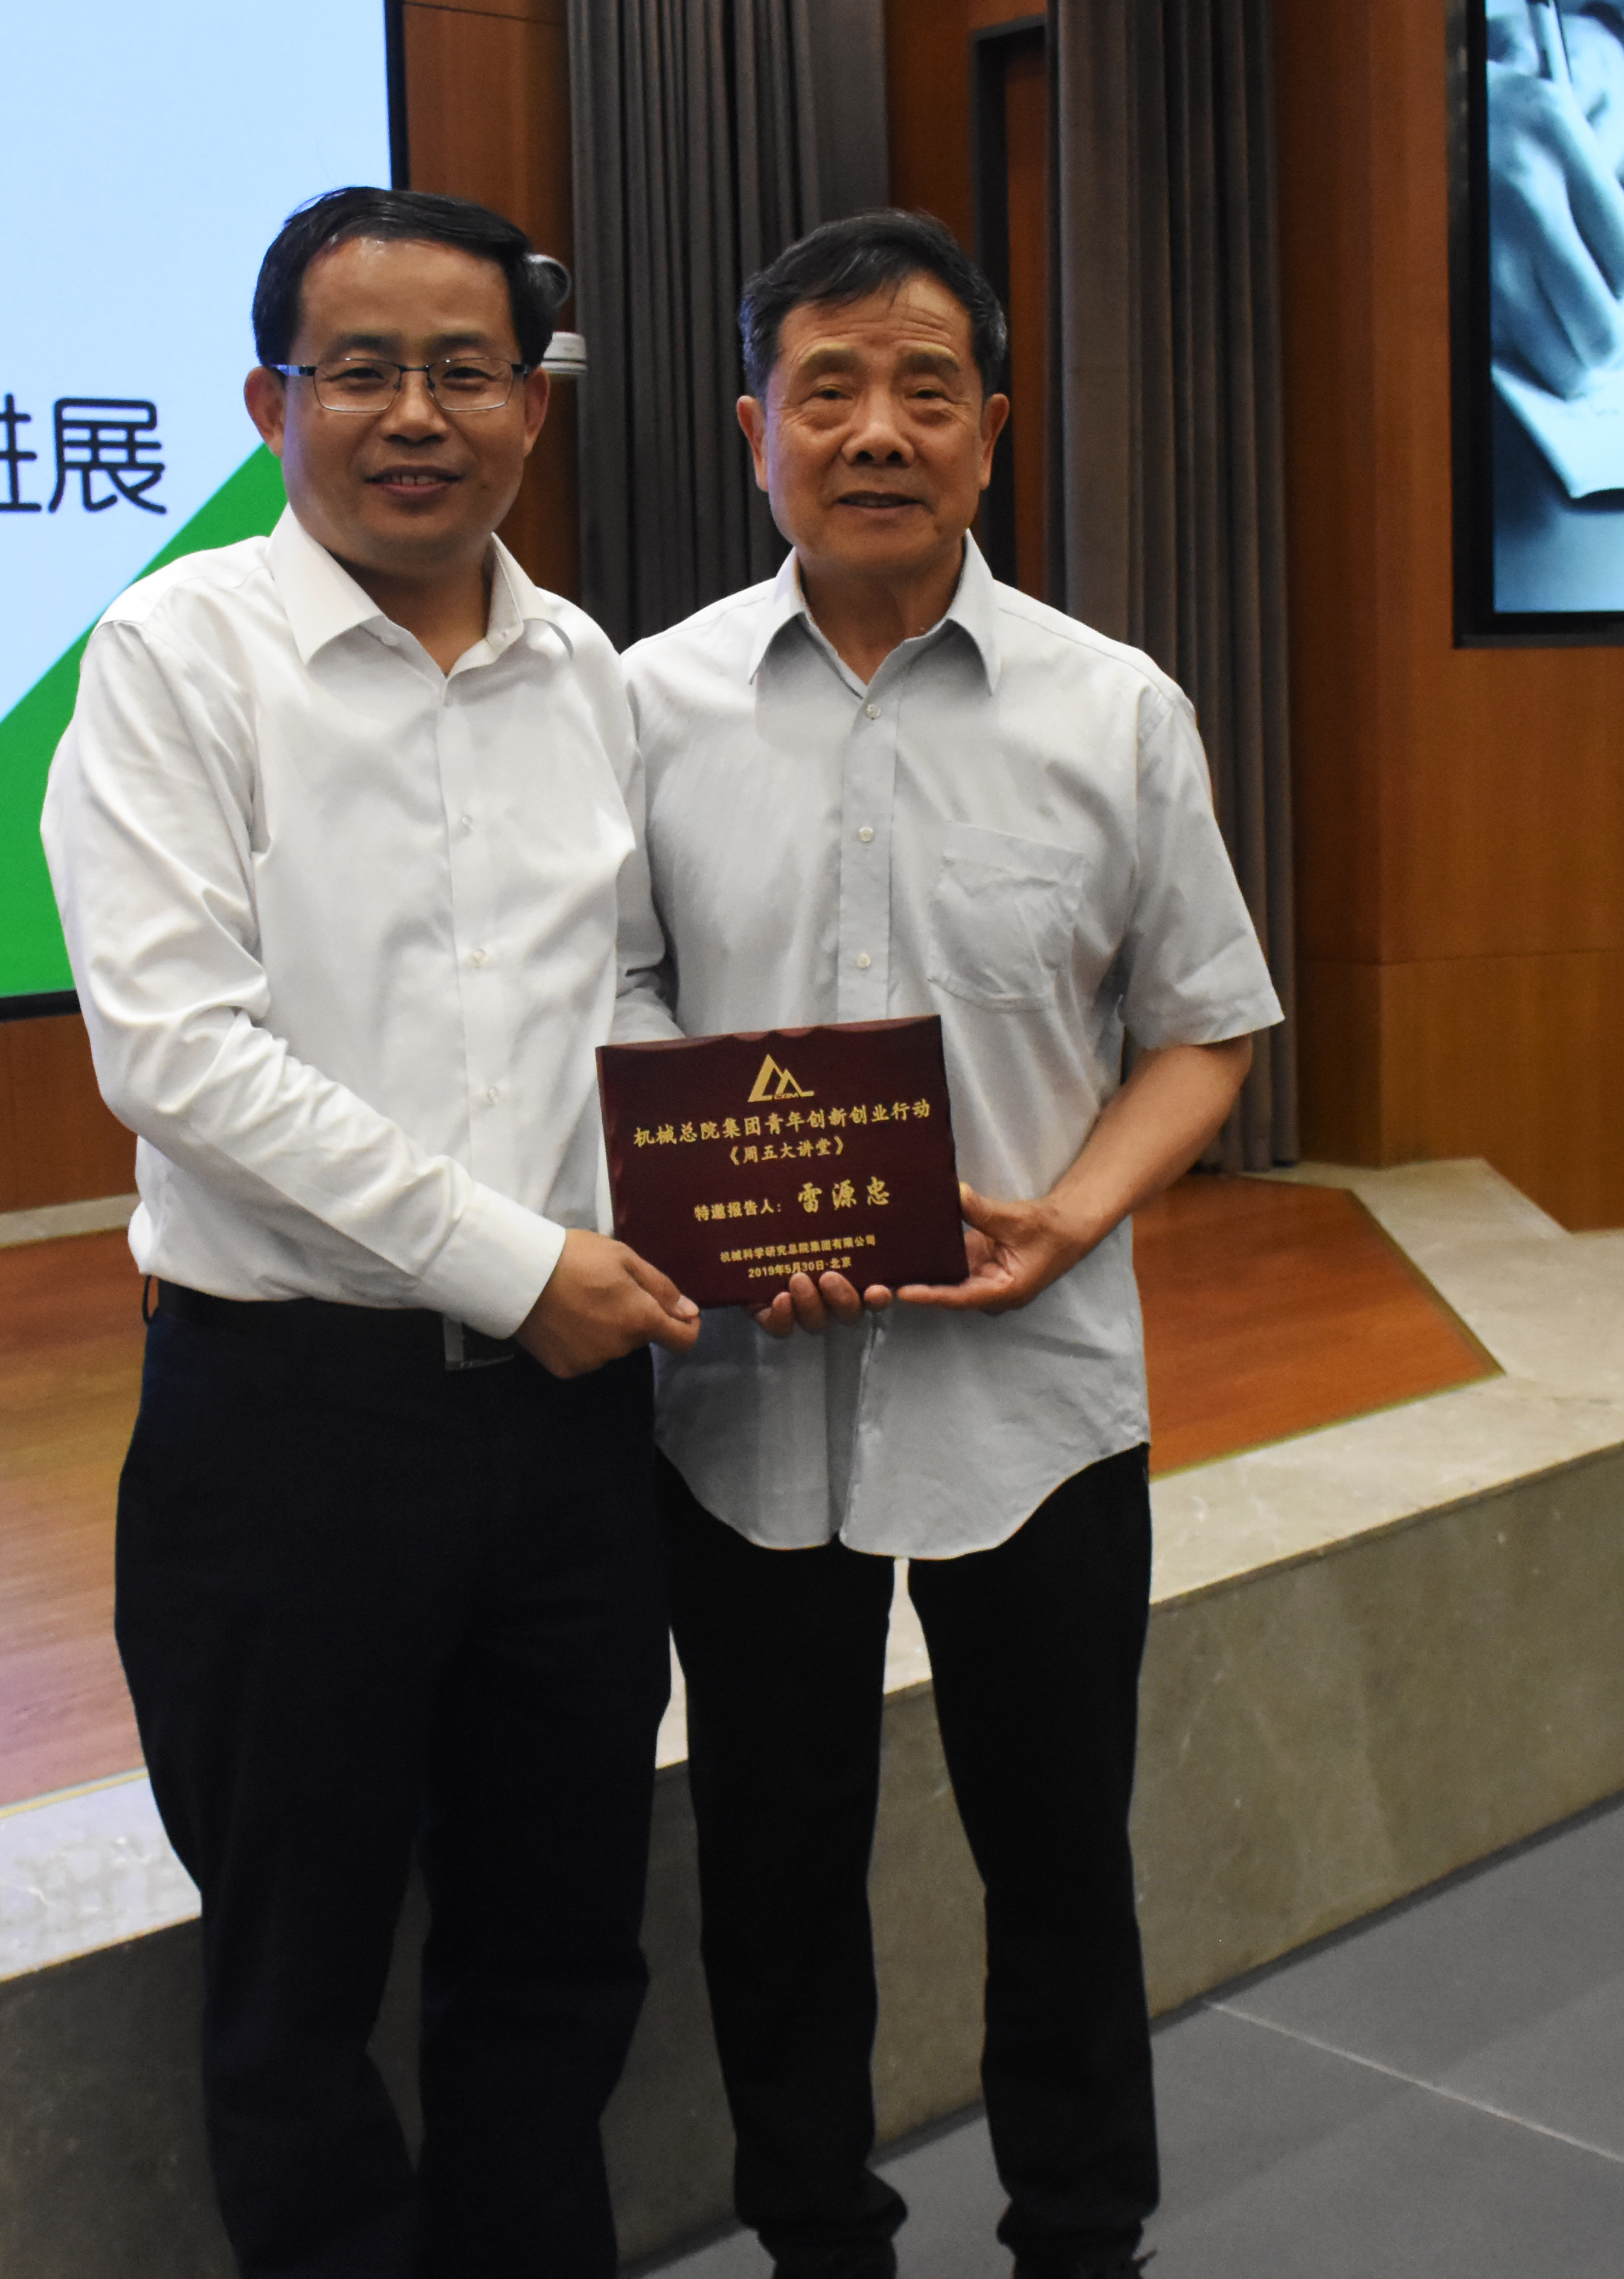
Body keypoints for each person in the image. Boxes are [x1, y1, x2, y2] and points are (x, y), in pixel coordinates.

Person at [40, 185, 701, 2279]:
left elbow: (618, 989)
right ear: (272, 404)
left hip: (571, 1434)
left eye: (464, 371)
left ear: (532, 404)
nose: (416, 415)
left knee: (554, 1946)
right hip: (291, 1426)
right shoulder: (175, 654)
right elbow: (178, 1052)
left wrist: (733, 1179)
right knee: (296, 1979)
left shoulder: (583, 670)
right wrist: (518, 1263)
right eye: (362, 370)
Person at [618, 210, 1284, 2279]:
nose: (876, 432)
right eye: (825, 390)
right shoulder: (644, 707)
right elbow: (609, 997)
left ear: (992, 427)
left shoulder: (1114, 708)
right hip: (742, 1398)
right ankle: (817, 2238)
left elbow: (1203, 1029)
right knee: (772, 1870)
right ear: (754, 432)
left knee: (1059, 1861)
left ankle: (1082, 2235)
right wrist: (708, 1210)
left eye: (925, 390)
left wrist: (1072, 1215)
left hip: (1035, 1392)